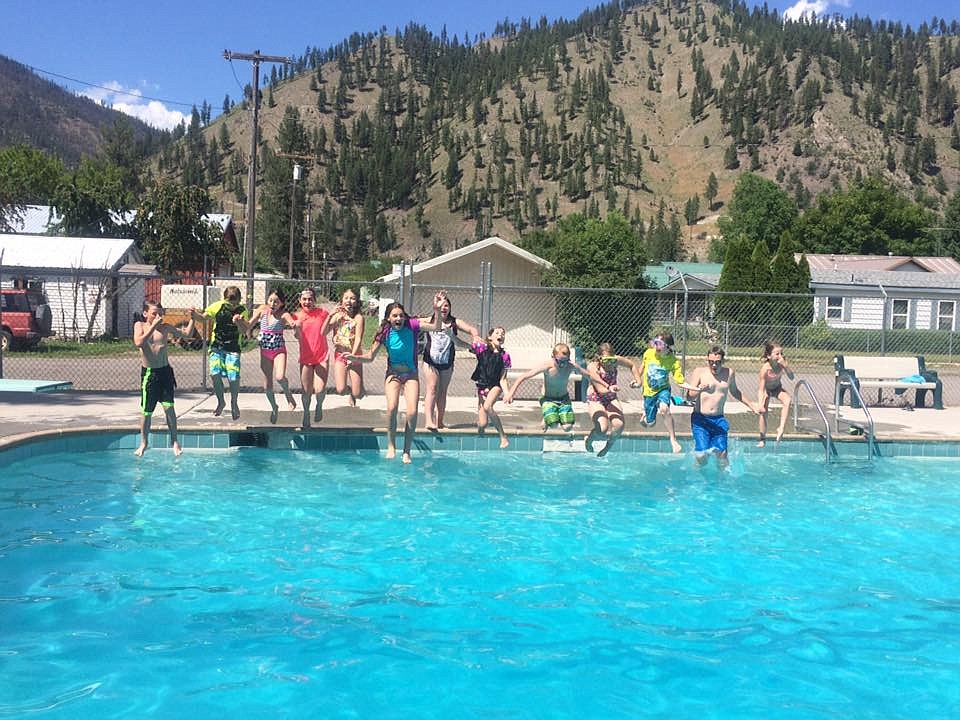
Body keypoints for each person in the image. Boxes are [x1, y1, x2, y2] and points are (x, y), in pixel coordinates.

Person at [346, 294, 443, 463]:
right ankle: (391, 445)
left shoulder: (412, 326)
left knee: (412, 412)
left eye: (401, 315)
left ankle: (406, 451)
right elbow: (370, 357)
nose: (399, 318)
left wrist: (437, 310)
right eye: (395, 316)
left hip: (411, 375)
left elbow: (435, 326)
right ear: (389, 318)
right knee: (392, 408)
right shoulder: (384, 333)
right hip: (393, 375)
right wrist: (355, 358)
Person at [133, 301, 194, 456]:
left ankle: (174, 441)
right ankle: (143, 443)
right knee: (146, 412)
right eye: (154, 313)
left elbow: (187, 334)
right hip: (149, 374)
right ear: (145, 313)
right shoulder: (140, 326)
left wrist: (193, 318)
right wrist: (153, 326)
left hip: (165, 372)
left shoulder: (165, 327)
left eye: (160, 313)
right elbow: (139, 342)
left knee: (169, 408)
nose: (158, 316)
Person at [504, 343, 608, 433]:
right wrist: (510, 393)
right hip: (548, 399)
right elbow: (524, 376)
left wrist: (606, 384)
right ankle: (547, 417)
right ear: (553, 357)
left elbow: (589, 375)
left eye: (565, 361)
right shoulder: (547, 366)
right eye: (560, 361)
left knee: (567, 427)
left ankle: (550, 416)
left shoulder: (571, 366)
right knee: (553, 424)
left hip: (564, 399)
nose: (562, 365)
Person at [686, 345, 759, 467]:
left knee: (722, 454)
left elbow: (735, 392)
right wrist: (699, 389)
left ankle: (723, 481)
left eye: (717, 362)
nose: (714, 365)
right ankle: (697, 481)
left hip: (718, 419)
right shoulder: (699, 372)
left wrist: (752, 406)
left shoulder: (729, 373)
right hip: (700, 419)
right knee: (702, 455)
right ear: (707, 361)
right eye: (711, 362)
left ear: (723, 361)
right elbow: (689, 397)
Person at [422, 292, 481, 430]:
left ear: (450, 308)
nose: (444, 308)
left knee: (442, 392)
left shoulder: (454, 322)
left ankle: (440, 422)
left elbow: (471, 329)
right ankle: (429, 421)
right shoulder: (429, 320)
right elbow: (412, 323)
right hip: (430, 362)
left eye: (446, 305)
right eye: (441, 305)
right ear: (436, 306)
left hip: (447, 363)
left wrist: (475, 336)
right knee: (432, 389)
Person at [190, 286, 248, 420]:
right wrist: (194, 314)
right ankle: (221, 401)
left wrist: (239, 322)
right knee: (214, 373)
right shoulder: (217, 307)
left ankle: (234, 402)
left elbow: (244, 331)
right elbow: (203, 318)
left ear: (240, 300)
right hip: (217, 347)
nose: (232, 306)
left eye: (235, 303)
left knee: (233, 377)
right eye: (229, 303)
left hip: (233, 348)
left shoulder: (242, 310)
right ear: (224, 299)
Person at [246, 289, 297, 424]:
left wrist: (293, 324)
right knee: (267, 384)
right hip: (265, 351)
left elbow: (291, 321)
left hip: (279, 350)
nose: (273, 304)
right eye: (270, 300)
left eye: (276, 301)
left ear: (281, 303)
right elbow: (249, 324)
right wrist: (241, 322)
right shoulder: (262, 310)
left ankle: (288, 394)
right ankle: (274, 407)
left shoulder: (283, 314)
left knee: (280, 377)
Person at [584, 342, 642, 457]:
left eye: (611, 359)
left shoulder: (616, 360)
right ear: (599, 358)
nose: (609, 363)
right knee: (602, 430)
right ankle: (589, 440)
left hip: (610, 397)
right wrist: (610, 388)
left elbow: (632, 365)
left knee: (619, 425)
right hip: (596, 398)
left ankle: (607, 448)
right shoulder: (592, 367)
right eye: (606, 360)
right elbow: (600, 390)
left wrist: (638, 381)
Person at [638, 332, 689, 453]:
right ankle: (646, 415)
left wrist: (696, 388)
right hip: (649, 392)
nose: (656, 347)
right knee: (650, 424)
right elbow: (642, 367)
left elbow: (679, 381)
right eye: (654, 343)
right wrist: (636, 380)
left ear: (668, 347)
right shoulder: (649, 353)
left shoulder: (673, 361)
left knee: (664, 408)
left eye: (659, 344)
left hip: (663, 390)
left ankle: (673, 439)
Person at [292, 287, 331, 428]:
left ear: (314, 300)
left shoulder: (323, 313)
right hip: (306, 358)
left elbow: (330, 327)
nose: (307, 302)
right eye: (304, 299)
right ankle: (306, 413)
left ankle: (319, 405)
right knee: (306, 391)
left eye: (310, 299)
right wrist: (296, 328)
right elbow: (297, 336)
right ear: (300, 300)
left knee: (320, 390)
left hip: (321, 356)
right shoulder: (297, 316)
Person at [468, 326, 512, 448]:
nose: (501, 335)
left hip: (495, 385)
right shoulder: (481, 349)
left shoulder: (505, 356)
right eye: (497, 333)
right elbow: (465, 346)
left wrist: (507, 393)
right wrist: (452, 337)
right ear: (490, 337)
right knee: (482, 424)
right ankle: (480, 431)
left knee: (488, 406)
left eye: (503, 333)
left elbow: (503, 378)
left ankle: (503, 437)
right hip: (482, 385)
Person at [329, 288, 366, 407]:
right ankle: (350, 390)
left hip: (354, 355)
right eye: (346, 298)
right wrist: (332, 315)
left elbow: (358, 339)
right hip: (340, 354)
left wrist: (353, 356)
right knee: (340, 390)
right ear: (342, 300)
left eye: (352, 298)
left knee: (358, 394)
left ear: (356, 301)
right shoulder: (338, 316)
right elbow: (325, 330)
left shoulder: (358, 318)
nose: (349, 301)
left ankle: (357, 390)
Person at [757, 340, 796, 447]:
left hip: (777, 388)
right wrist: (760, 404)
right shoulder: (765, 369)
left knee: (787, 400)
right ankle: (762, 438)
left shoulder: (782, 364)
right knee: (763, 412)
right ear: (769, 356)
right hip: (766, 390)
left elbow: (792, 377)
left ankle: (781, 428)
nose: (780, 356)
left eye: (781, 353)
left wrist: (786, 366)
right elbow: (761, 389)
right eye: (777, 354)